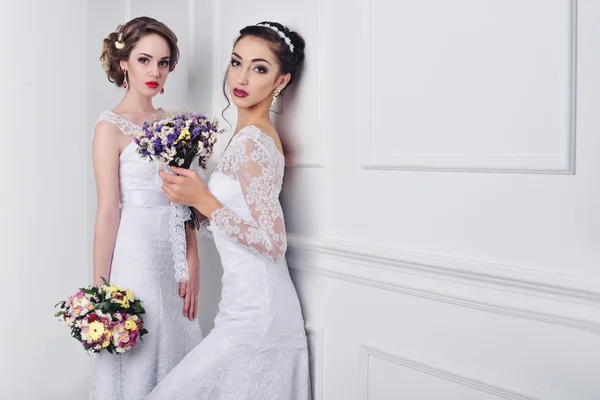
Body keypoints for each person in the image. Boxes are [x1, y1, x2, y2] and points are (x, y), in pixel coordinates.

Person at [145, 21, 311, 399]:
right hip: (241, 305)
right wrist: (195, 206)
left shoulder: (253, 142)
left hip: (258, 315)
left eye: (259, 68)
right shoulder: (243, 137)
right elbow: (238, 221)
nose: (242, 77)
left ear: (281, 82)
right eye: (237, 62)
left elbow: (272, 243)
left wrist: (204, 200)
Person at [90, 16, 203, 400]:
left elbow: (185, 201)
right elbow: (108, 210)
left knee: (177, 342)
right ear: (123, 63)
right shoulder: (110, 127)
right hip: (133, 253)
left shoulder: (177, 124)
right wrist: (100, 291)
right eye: (144, 60)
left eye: (164, 62)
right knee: (137, 347)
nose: (155, 71)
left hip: (172, 253)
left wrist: (193, 261)